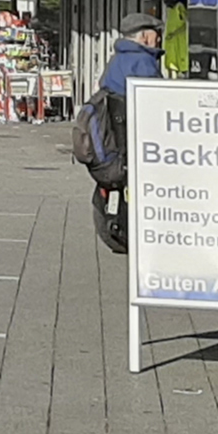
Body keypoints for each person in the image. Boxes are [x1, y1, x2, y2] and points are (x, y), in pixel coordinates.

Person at [83, 13, 162, 254]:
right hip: (138, 139)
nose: (159, 40)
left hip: (116, 140)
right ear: (146, 36)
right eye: (157, 35)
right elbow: (159, 103)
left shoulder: (116, 60)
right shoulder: (144, 63)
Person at [160, 0, 190, 78]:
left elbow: (180, 23)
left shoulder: (173, 8)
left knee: (173, 70)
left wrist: (169, 33)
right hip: (179, 43)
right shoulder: (179, 7)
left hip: (173, 43)